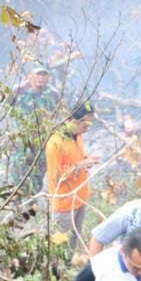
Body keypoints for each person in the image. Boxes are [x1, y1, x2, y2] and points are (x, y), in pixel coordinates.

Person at [45, 102, 100, 250]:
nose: (87, 129)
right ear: (75, 121)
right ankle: (56, 271)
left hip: (80, 198)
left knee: (74, 238)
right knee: (60, 244)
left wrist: (87, 159)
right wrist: (81, 165)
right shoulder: (55, 142)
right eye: (85, 125)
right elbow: (57, 177)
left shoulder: (78, 136)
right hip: (64, 203)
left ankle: (68, 267)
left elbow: (75, 160)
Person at [10, 64, 62, 196]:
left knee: (38, 174)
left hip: (42, 142)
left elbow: (60, 114)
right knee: (19, 174)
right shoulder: (21, 92)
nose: (41, 78)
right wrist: (21, 88)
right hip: (23, 142)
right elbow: (6, 101)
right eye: (38, 74)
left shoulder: (53, 94)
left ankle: (31, 201)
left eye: (44, 75)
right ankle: (18, 203)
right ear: (30, 77)